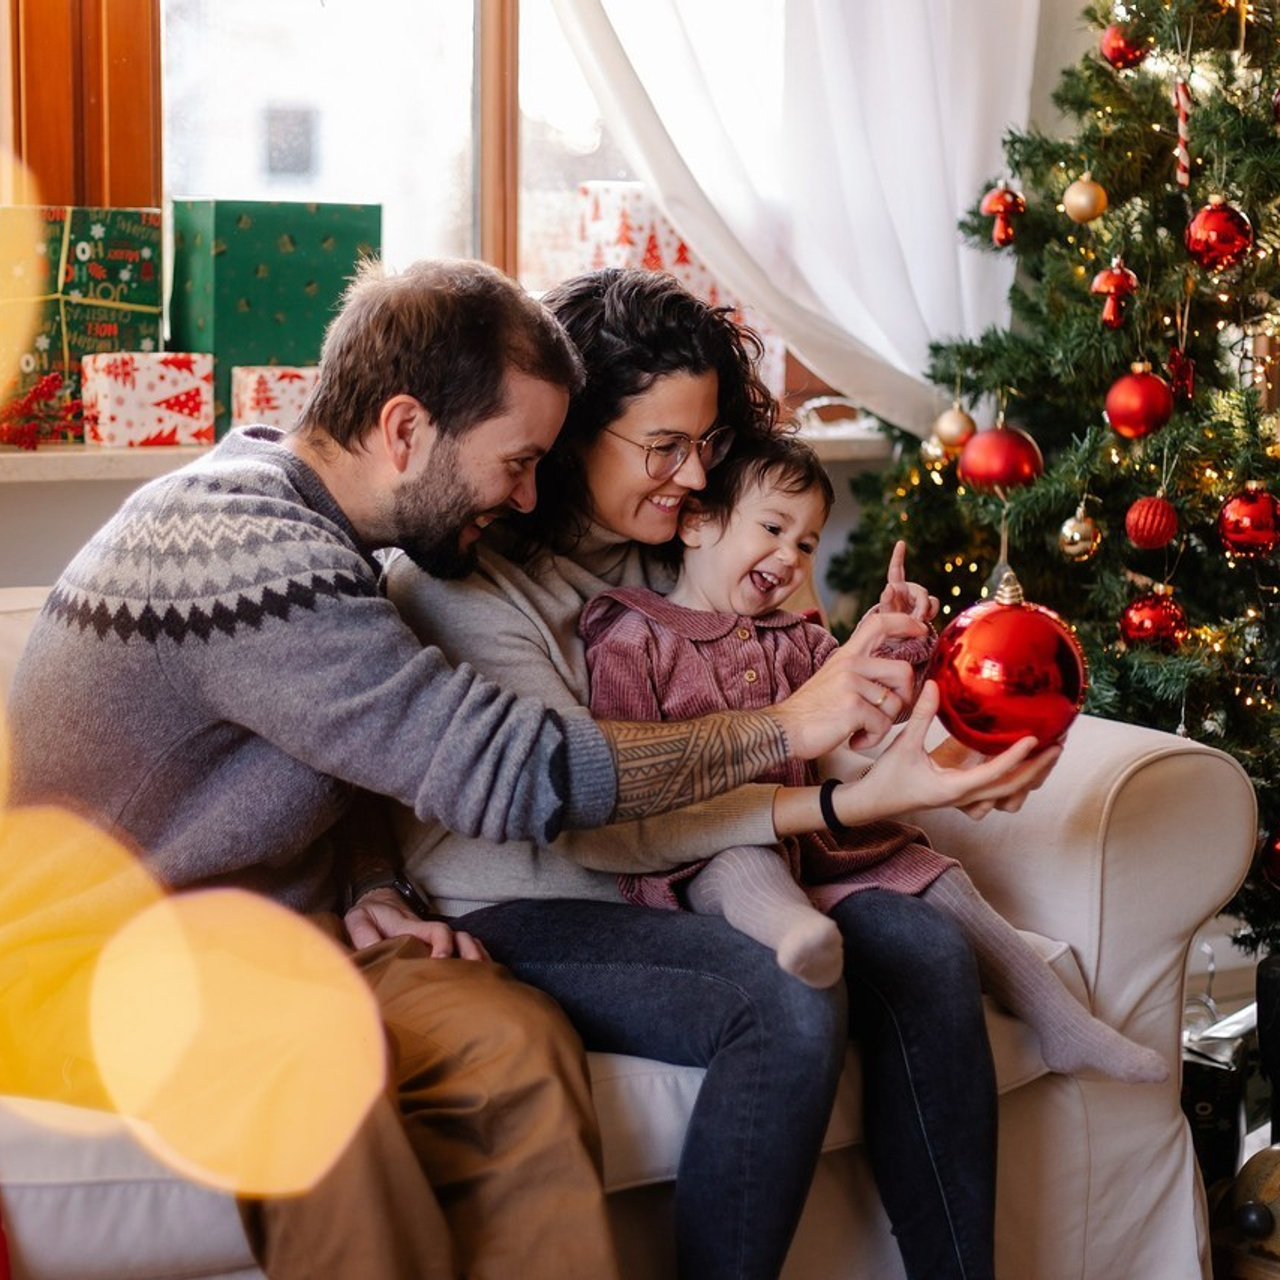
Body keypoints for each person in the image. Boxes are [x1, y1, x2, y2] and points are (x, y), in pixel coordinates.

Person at [5, 258, 908, 1280]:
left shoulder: (313, 524)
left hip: (279, 933)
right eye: (516, 460)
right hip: (88, 961)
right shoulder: (244, 547)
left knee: (513, 1044)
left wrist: (370, 881)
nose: (529, 492)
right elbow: (516, 768)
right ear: (404, 430)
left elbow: (308, 735)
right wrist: (786, 722)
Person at [384, 266, 1062, 1280]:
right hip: (532, 894)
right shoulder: (469, 580)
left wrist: (934, 732)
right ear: (570, 431)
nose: (695, 478)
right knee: (782, 1000)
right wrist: (839, 795)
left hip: (697, 875)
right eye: (661, 446)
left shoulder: (677, 545)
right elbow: (596, 814)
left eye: (706, 445)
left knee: (921, 946)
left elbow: (806, 700)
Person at [578, 430, 1167, 1086]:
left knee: (931, 868)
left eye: (805, 543)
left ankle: (1061, 1023)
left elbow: (868, 710)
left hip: (813, 842)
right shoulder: (634, 634)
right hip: (697, 851)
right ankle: (798, 937)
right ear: (696, 523)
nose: (790, 555)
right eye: (772, 527)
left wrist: (897, 633)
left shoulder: (798, 639)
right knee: (741, 858)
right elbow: (623, 765)